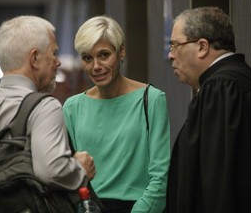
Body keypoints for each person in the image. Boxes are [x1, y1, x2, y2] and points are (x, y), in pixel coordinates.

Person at [0, 15, 96, 206]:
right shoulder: (44, 107)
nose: (58, 62)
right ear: (35, 58)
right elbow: (52, 171)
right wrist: (80, 169)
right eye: (53, 53)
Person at [62, 15, 171, 213]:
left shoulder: (151, 99)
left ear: (121, 52)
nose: (96, 66)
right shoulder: (72, 107)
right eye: (87, 58)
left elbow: (160, 177)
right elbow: (68, 175)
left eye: (104, 55)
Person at [165, 6, 251, 213]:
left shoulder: (220, 88)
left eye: (175, 45)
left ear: (202, 47)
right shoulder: (236, 80)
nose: (170, 55)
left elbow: (216, 178)